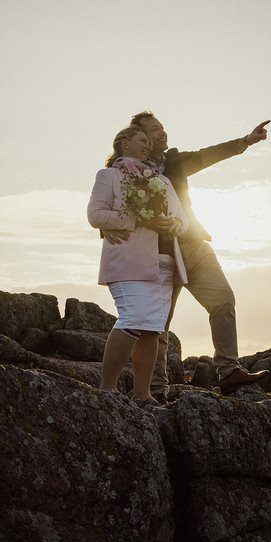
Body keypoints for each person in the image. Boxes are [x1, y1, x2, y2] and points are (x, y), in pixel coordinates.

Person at [103, 112, 270, 401]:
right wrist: (106, 227)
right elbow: (110, 204)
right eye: (154, 131)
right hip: (158, 253)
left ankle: (228, 372)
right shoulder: (127, 171)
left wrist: (245, 141)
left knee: (223, 300)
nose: (162, 133)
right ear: (138, 138)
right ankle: (154, 390)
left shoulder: (177, 162)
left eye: (162, 128)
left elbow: (209, 155)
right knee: (157, 325)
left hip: (194, 246)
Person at [88, 125, 189, 404]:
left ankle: (142, 394)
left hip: (165, 263)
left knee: (152, 328)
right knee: (133, 318)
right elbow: (95, 215)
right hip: (127, 260)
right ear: (124, 144)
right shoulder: (109, 176)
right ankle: (107, 389)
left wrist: (174, 223)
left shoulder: (163, 182)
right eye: (142, 140)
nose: (147, 145)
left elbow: (184, 219)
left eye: (148, 141)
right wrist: (136, 220)